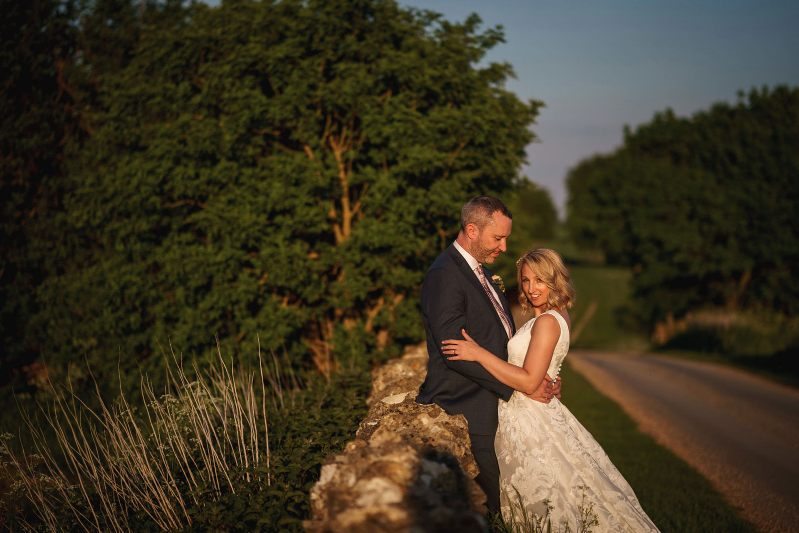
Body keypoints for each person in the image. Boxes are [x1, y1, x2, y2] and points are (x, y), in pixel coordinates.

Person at [443, 249, 660, 532]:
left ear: (555, 281)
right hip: (535, 412)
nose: (532, 288)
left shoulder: (546, 322)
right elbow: (542, 369)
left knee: (546, 502)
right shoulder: (557, 316)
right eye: (525, 280)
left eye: (540, 281)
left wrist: (478, 353)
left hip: (530, 420)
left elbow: (530, 382)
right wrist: (549, 379)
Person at [416, 197, 561, 514]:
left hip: (497, 408)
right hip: (469, 410)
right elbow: (454, 351)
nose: (505, 248)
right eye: (498, 238)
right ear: (471, 230)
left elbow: (501, 344)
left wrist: (535, 377)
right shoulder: (445, 275)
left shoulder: (483, 275)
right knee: (499, 509)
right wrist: (520, 386)